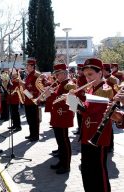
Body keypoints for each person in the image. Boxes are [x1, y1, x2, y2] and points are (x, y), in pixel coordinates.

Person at [75, 58, 114, 192]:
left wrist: (76, 104)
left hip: (99, 136)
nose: (87, 78)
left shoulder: (105, 88)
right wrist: (74, 102)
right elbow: (85, 110)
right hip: (87, 134)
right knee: (86, 169)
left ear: (100, 73)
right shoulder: (91, 89)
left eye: (90, 74)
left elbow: (95, 112)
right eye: (85, 75)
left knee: (98, 171)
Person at [46, 63, 76, 174]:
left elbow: (71, 103)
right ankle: (61, 161)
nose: (56, 77)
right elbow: (57, 99)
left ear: (64, 73)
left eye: (57, 74)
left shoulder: (70, 85)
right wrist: (50, 94)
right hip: (58, 116)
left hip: (64, 116)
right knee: (60, 142)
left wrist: (51, 95)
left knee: (64, 141)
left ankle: (66, 164)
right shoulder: (61, 84)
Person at [23, 59, 43, 141]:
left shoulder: (36, 74)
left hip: (33, 99)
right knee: (29, 119)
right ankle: (31, 134)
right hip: (27, 99)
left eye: (27, 66)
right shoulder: (29, 75)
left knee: (34, 119)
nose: (26, 67)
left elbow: (39, 86)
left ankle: (35, 135)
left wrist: (30, 93)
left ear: (32, 66)